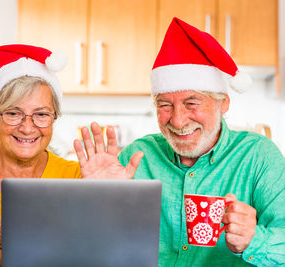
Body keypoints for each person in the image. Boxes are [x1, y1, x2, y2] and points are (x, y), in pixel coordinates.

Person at [74, 17, 285, 266]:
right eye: (164, 105)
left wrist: (253, 240)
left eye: (191, 104)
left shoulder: (258, 156)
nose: (178, 120)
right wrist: (95, 202)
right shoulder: (136, 157)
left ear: (224, 102)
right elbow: (89, 249)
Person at [0, 44, 81, 266]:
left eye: (41, 114)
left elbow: (83, 254)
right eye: (13, 113)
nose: (27, 128)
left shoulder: (76, 178)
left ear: (54, 118)